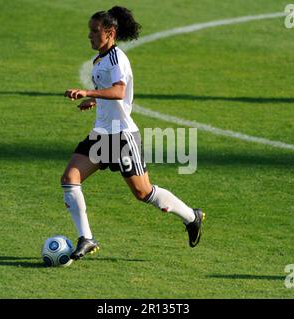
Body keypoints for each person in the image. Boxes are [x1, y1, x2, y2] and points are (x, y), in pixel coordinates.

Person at [63, 6, 205, 261]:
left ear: (110, 32)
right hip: (101, 134)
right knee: (70, 178)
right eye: (89, 31)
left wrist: (88, 93)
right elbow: (113, 94)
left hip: (122, 137)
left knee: (144, 193)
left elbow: (118, 91)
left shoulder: (118, 59)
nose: (90, 36)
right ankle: (86, 238)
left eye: (95, 31)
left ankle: (191, 217)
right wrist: (94, 102)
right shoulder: (100, 60)